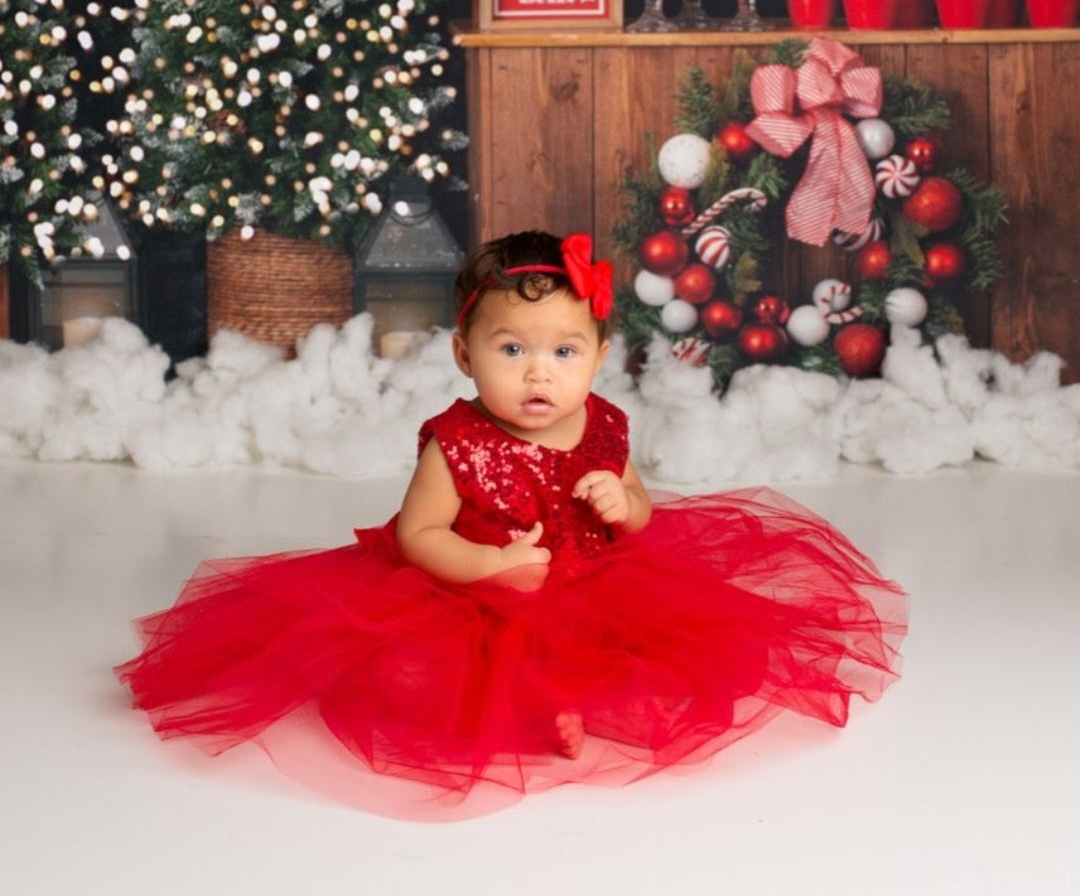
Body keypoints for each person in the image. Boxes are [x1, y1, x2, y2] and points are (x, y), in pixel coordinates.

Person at [115, 229, 907, 819]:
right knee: (423, 678)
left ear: (598, 355)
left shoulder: (602, 424)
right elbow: (420, 537)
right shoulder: (456, 442)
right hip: (473, 590)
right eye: (510, 348)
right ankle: (538, 707)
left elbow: (640, 507)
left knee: (663, 650)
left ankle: (576, 696)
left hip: (592, 578)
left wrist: (620, 504)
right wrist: (490, 567)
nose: (538, 370)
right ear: (464, 354)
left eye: (564, 349)